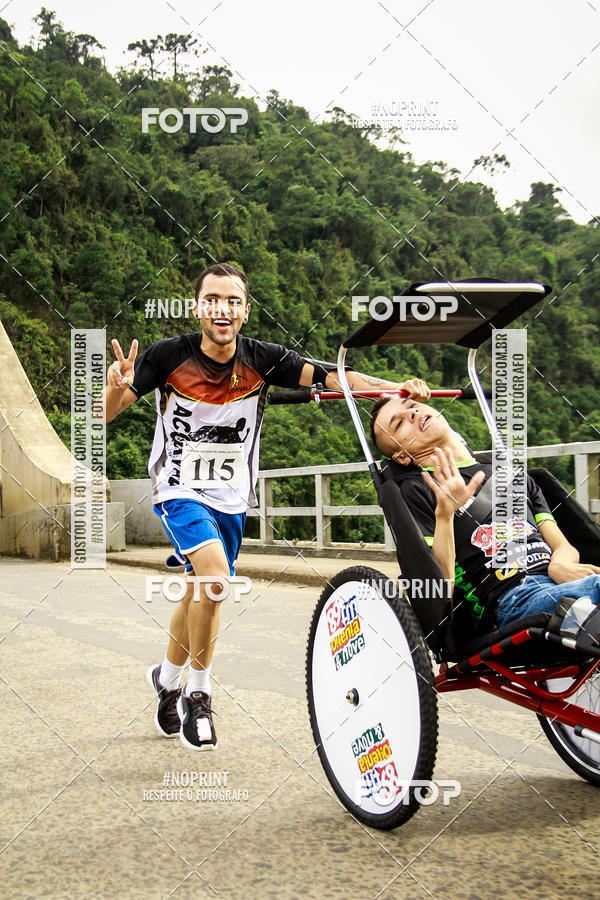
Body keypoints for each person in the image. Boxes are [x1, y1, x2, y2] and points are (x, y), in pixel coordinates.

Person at [104, 262, 431, 751]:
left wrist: (393, 389)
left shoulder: (263, 359)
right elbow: (104, 414)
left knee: (200, 589)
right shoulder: (167, 356)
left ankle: (167, 680)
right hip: (178, 490)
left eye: (232, 301)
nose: (223, 309)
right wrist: (114, 386)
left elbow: (335, 376)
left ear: (244, 311)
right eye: (213, 299)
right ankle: (199, 694)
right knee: (214, 579)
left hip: (232, 497)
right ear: (198, 308)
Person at [370, 394, 600, 636]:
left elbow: (563, 545)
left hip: (562, 582)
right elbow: (438, 588)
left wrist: (560, 565)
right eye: (399, 423)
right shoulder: (416, 489)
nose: (413, 414)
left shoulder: (512, 475)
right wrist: (445, 514)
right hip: (513, 599)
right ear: (402, 456)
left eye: (413, 406)